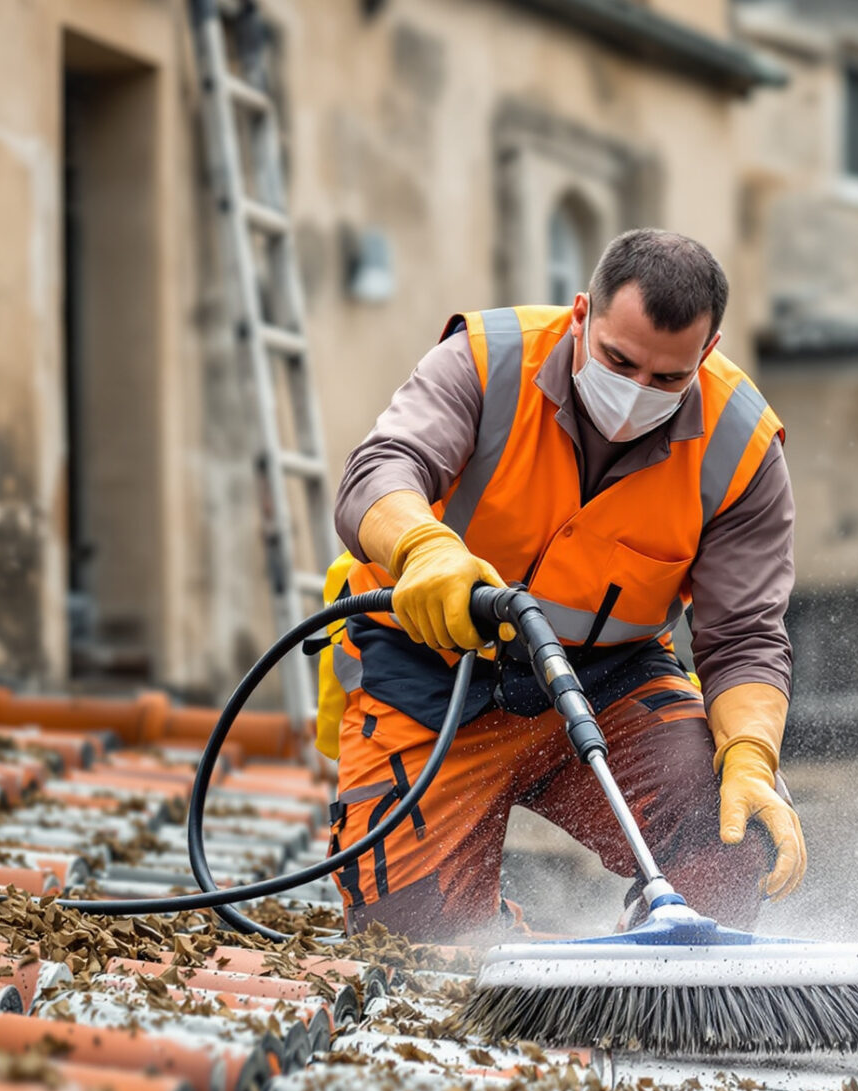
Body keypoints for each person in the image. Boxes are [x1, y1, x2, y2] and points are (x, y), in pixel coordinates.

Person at [327, 228, 804, 942]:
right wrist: (424, 548)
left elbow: (744, 637)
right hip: (433, 673)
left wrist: (751, 756)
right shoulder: (487, 362)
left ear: (704, 355)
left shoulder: (741, 448)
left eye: (667, 378)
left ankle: (663, 981)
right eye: (617, 360)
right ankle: (495, 940)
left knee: (734, 830)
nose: (636, 391)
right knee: (411, 941)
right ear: (581, 314)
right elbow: (379, 470)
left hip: (605, 683)